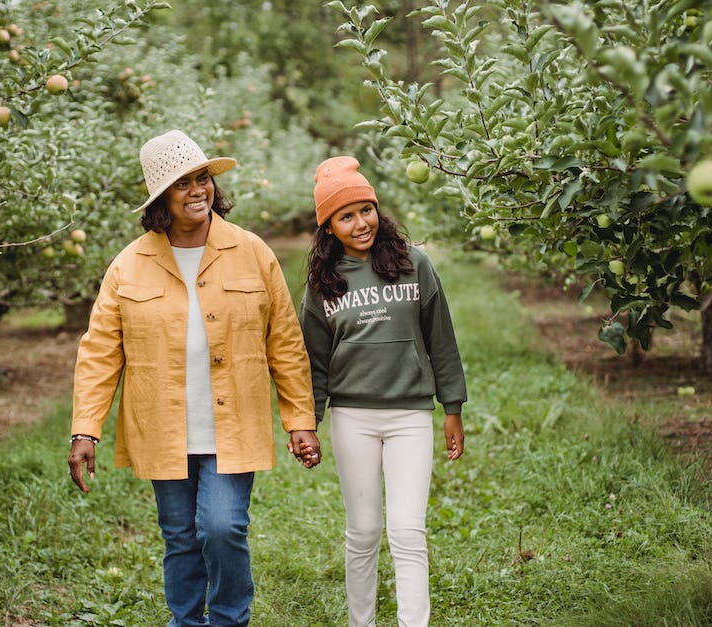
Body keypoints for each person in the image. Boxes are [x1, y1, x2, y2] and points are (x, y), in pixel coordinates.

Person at [67, 129, 321, 627]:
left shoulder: (252, 252)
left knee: (222, 528)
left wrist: (299, 419)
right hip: (163, 427)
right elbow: (99, 353)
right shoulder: (129, 266)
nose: (198, 191)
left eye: (202, 178)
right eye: (183, 184)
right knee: (181, 536)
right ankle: (186, 622)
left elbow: (284, 343)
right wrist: (85, 429)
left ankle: (228, 620)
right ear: (161, 198)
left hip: (234, 423)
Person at [298, 156, 467, 627]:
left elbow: (442, 340)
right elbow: (312, 361)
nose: (360, 223)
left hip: (411, 416)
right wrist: (306, 423)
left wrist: (451, 407)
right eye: (345, 216)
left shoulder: (416, 265)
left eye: (365, 210)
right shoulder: (323, 284)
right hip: (353, 417)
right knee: (365, 530)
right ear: (328, 227)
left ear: (378, 208)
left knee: (408, 529)